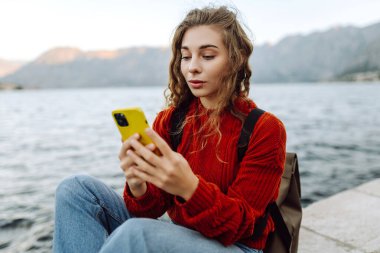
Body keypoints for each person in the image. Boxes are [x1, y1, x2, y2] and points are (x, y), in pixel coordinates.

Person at [53, 5, 286, 253]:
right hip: (181, 236)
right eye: (186, 56)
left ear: (235, 59)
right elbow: (148, 211)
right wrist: (138, 185)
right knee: (75, 189)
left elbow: (241, 226)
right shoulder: (171, 120)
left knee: (136, 234)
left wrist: (189, 188)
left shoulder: (265, 128)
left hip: (237, 246)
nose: (192, 67)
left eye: (207, 56)